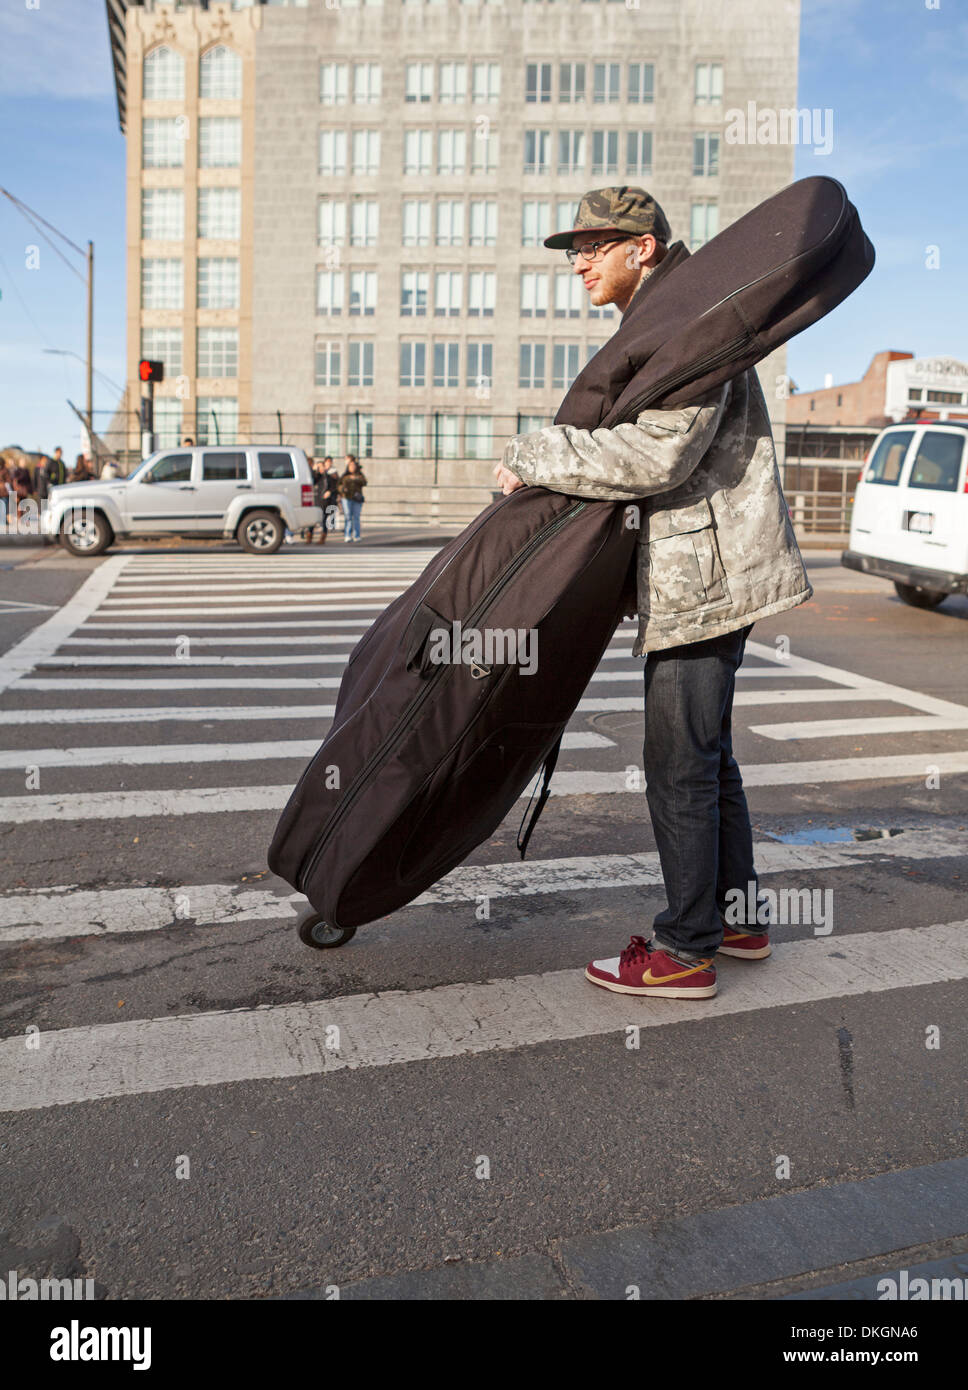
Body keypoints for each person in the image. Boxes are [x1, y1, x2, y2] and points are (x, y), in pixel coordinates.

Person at [494, 185, 812, 1002]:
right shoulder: (674, 319)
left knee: (677, 765)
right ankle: (734, 918)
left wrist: (537, 454)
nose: (579, 262)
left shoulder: (690, 323)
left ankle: (684, 950)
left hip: (705, 577)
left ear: (644, 248)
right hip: (709, 568)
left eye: (594, 246)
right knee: (709, 759)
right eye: (574, 250)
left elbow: (657, 458)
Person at [337, 454, 366, 542]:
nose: (352, 467)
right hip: (346, 498)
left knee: (356, 517)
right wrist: (342, 489)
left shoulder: (359, 475)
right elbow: (338, 485)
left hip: (357, 498)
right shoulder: (344, 476)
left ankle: (357, 535)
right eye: (350, 466)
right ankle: (347, 535)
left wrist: (356, 478)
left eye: (354, 466)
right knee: (348, 516)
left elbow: (364, 482)